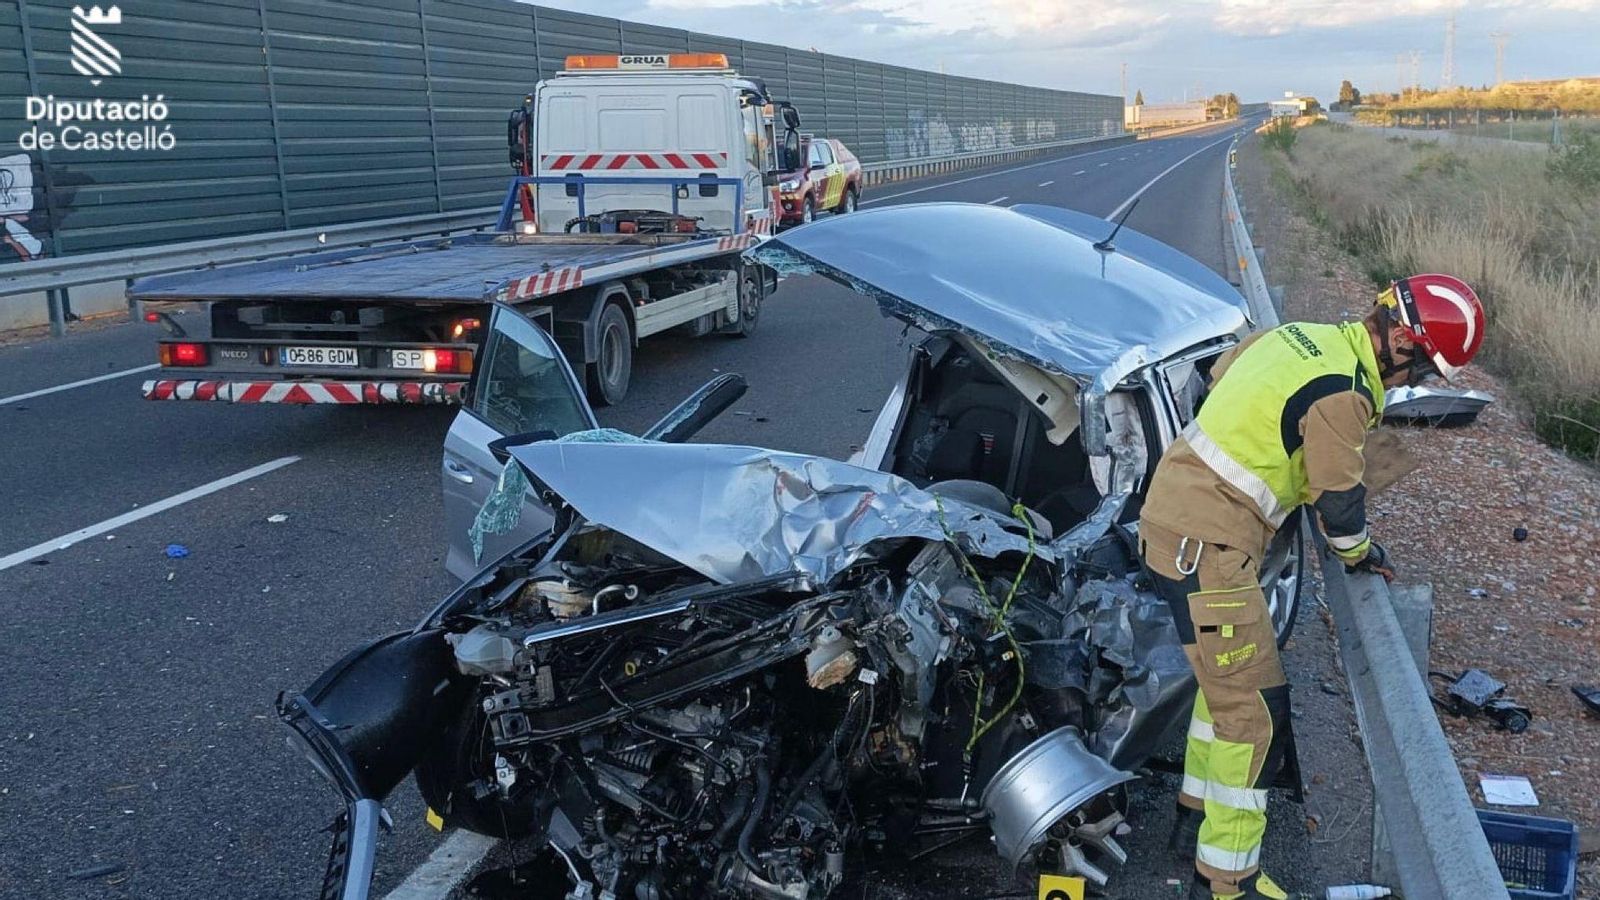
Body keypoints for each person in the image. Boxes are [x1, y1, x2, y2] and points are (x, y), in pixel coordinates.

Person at [1137, 274, 1486, 899]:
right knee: (1254, 715)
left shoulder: (1300, 336)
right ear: (1402, 342)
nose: (1412, 382)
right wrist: (1360, 554)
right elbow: (1339, 505)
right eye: (1422, 368)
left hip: (1174, 517)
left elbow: (1222, 379)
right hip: (1209, 546)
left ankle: (1194, 821)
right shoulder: (1346, 391)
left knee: (1225, 692)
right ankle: (1227, 882)